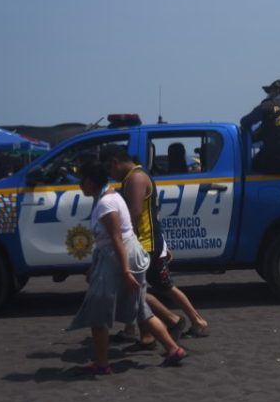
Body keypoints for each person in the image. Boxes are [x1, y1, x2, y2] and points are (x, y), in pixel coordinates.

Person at [67, 161, 186, 374]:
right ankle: (173, 349)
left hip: (120, 257)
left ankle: (102, 364)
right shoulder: (109, 198)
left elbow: (116, 238)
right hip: (121, 256)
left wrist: (125, 271)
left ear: (90, 181)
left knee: (99, 310)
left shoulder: (106, 203)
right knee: (140, 308)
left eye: (81, 180)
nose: (79, 185)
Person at [100, 145, 209, 344]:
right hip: (147, 242)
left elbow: (133, 215)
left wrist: (121, 243)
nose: (110, 175)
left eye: (109, 170)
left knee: (157, 286)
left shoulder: (135, 178)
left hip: (145, 244)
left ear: (115, 162)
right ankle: (142, 332)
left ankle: (193, 321)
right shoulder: (132, 177)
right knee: (141, 287)